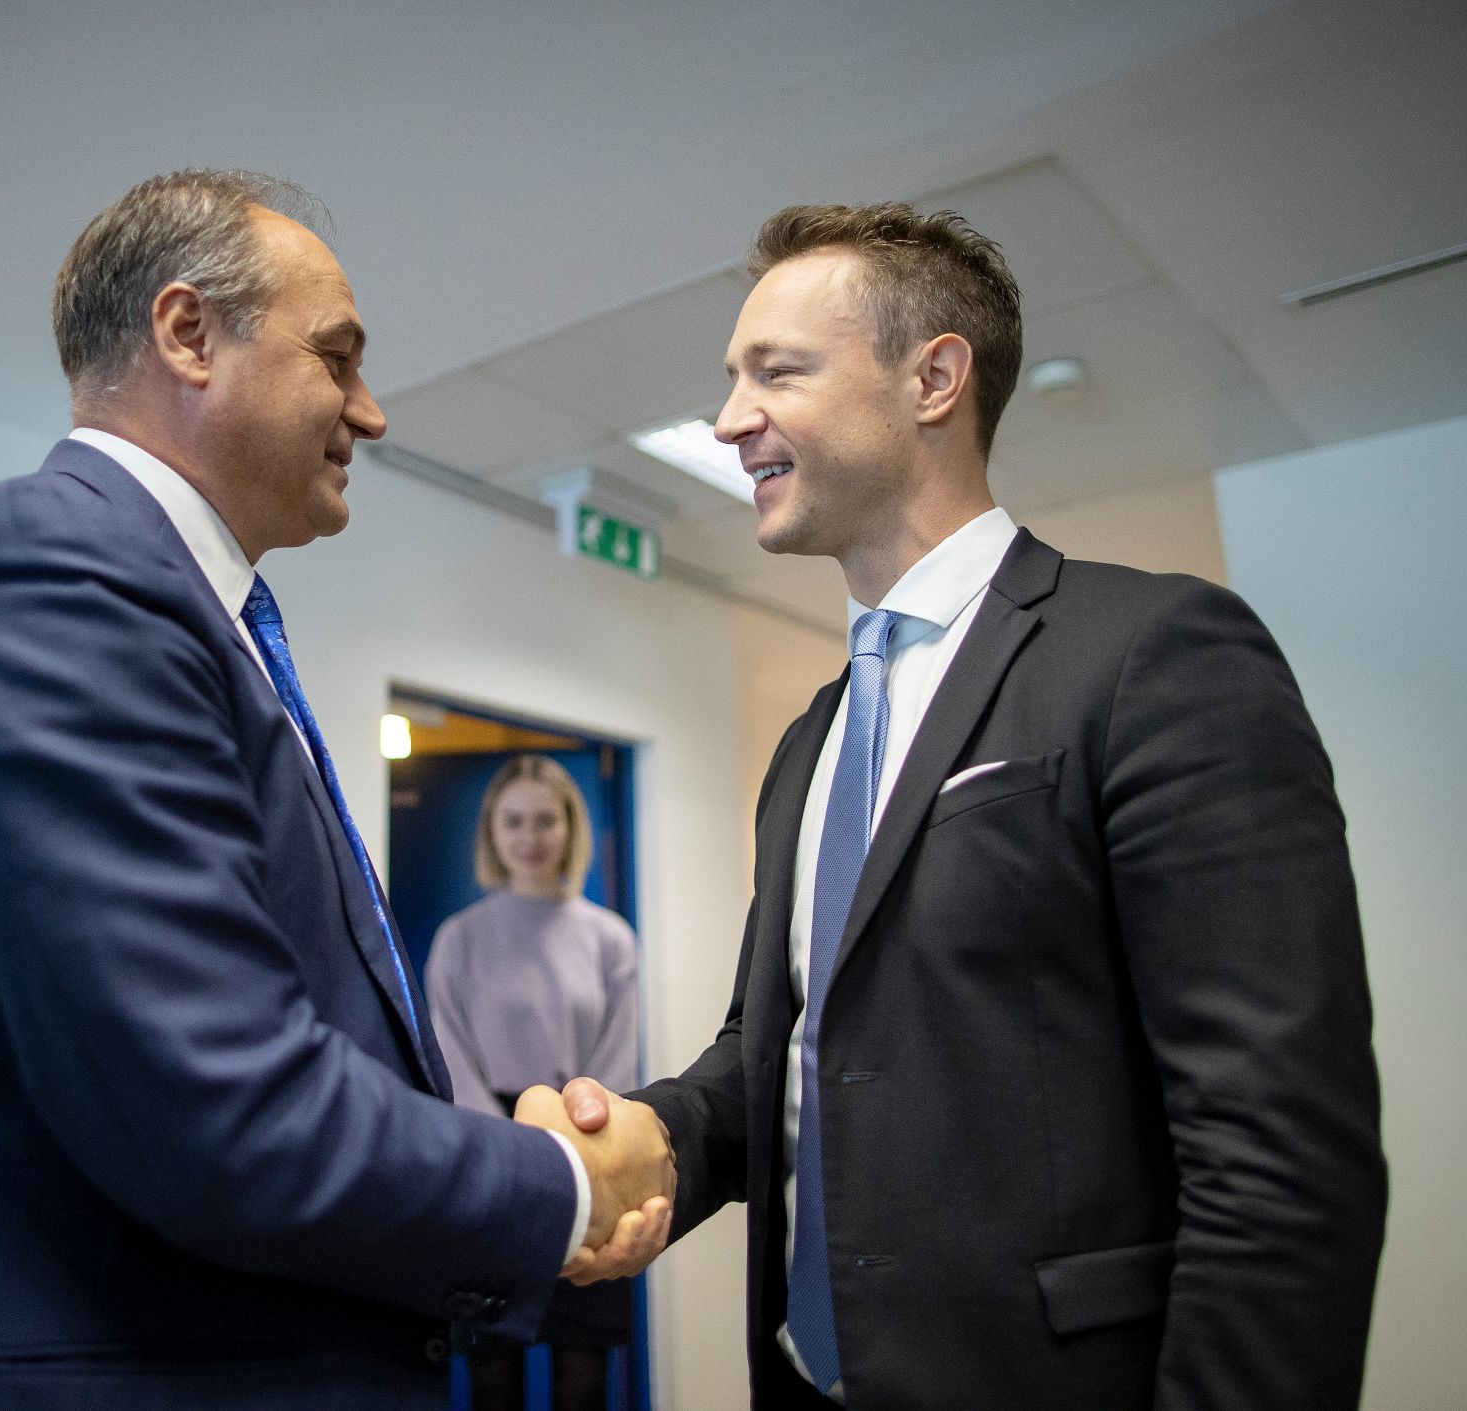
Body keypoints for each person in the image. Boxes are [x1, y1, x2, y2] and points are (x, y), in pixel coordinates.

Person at [0, 169, 672, 1411]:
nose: (369, 413)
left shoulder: (183, 615)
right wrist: (560, 1183)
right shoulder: (44, 570)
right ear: (188, 332)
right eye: (338, 357)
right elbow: (218, 1108)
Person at [556, 202, 1386, 1409]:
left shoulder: (1153, 653)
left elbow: (1278, 1158)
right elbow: (773, 1056)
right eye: (732, 381)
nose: (730, 418)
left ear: (931, 379)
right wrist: (645, 1147)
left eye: (773, 372)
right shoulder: (811, 743)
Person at [426, 755, 641, 1411]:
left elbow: (619, 1059)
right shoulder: (459, 938)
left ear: (570, 828)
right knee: (493, 1379)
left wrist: (578, 1149)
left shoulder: (609, 938)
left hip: (589, 1165)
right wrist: (511, 1153)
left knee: (583, 1378)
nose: (530, 835)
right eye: (513, 820)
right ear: (491, 832)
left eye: (546, 819)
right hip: (490, 1170)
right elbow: (450, 1056)